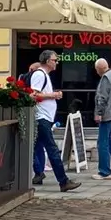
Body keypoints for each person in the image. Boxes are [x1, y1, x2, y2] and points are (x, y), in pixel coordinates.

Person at [27, 51, 80, 193]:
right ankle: (63, 181)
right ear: (47, 61)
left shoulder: (44, 75)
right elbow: (34, 95)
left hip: (44, 118)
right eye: (55, 60)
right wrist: (53, 95)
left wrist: (52, 95)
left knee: (32, 148)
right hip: (41, 118)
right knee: (52, 150)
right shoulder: (39, 75)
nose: (57, 62)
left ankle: (38, 174)